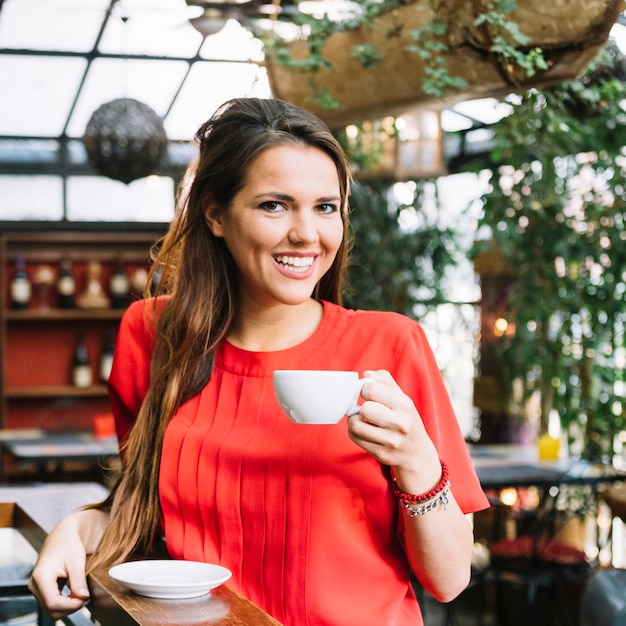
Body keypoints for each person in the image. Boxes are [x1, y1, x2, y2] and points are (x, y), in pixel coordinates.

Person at [28, 97, 489, 626]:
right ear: (216, 215)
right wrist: (78, 527)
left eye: (325, 207)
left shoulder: (390, 345)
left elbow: (449, 581)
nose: (307, 235)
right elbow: (146, 511)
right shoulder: (153, 334)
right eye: (274, 205)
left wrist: (417, 464)